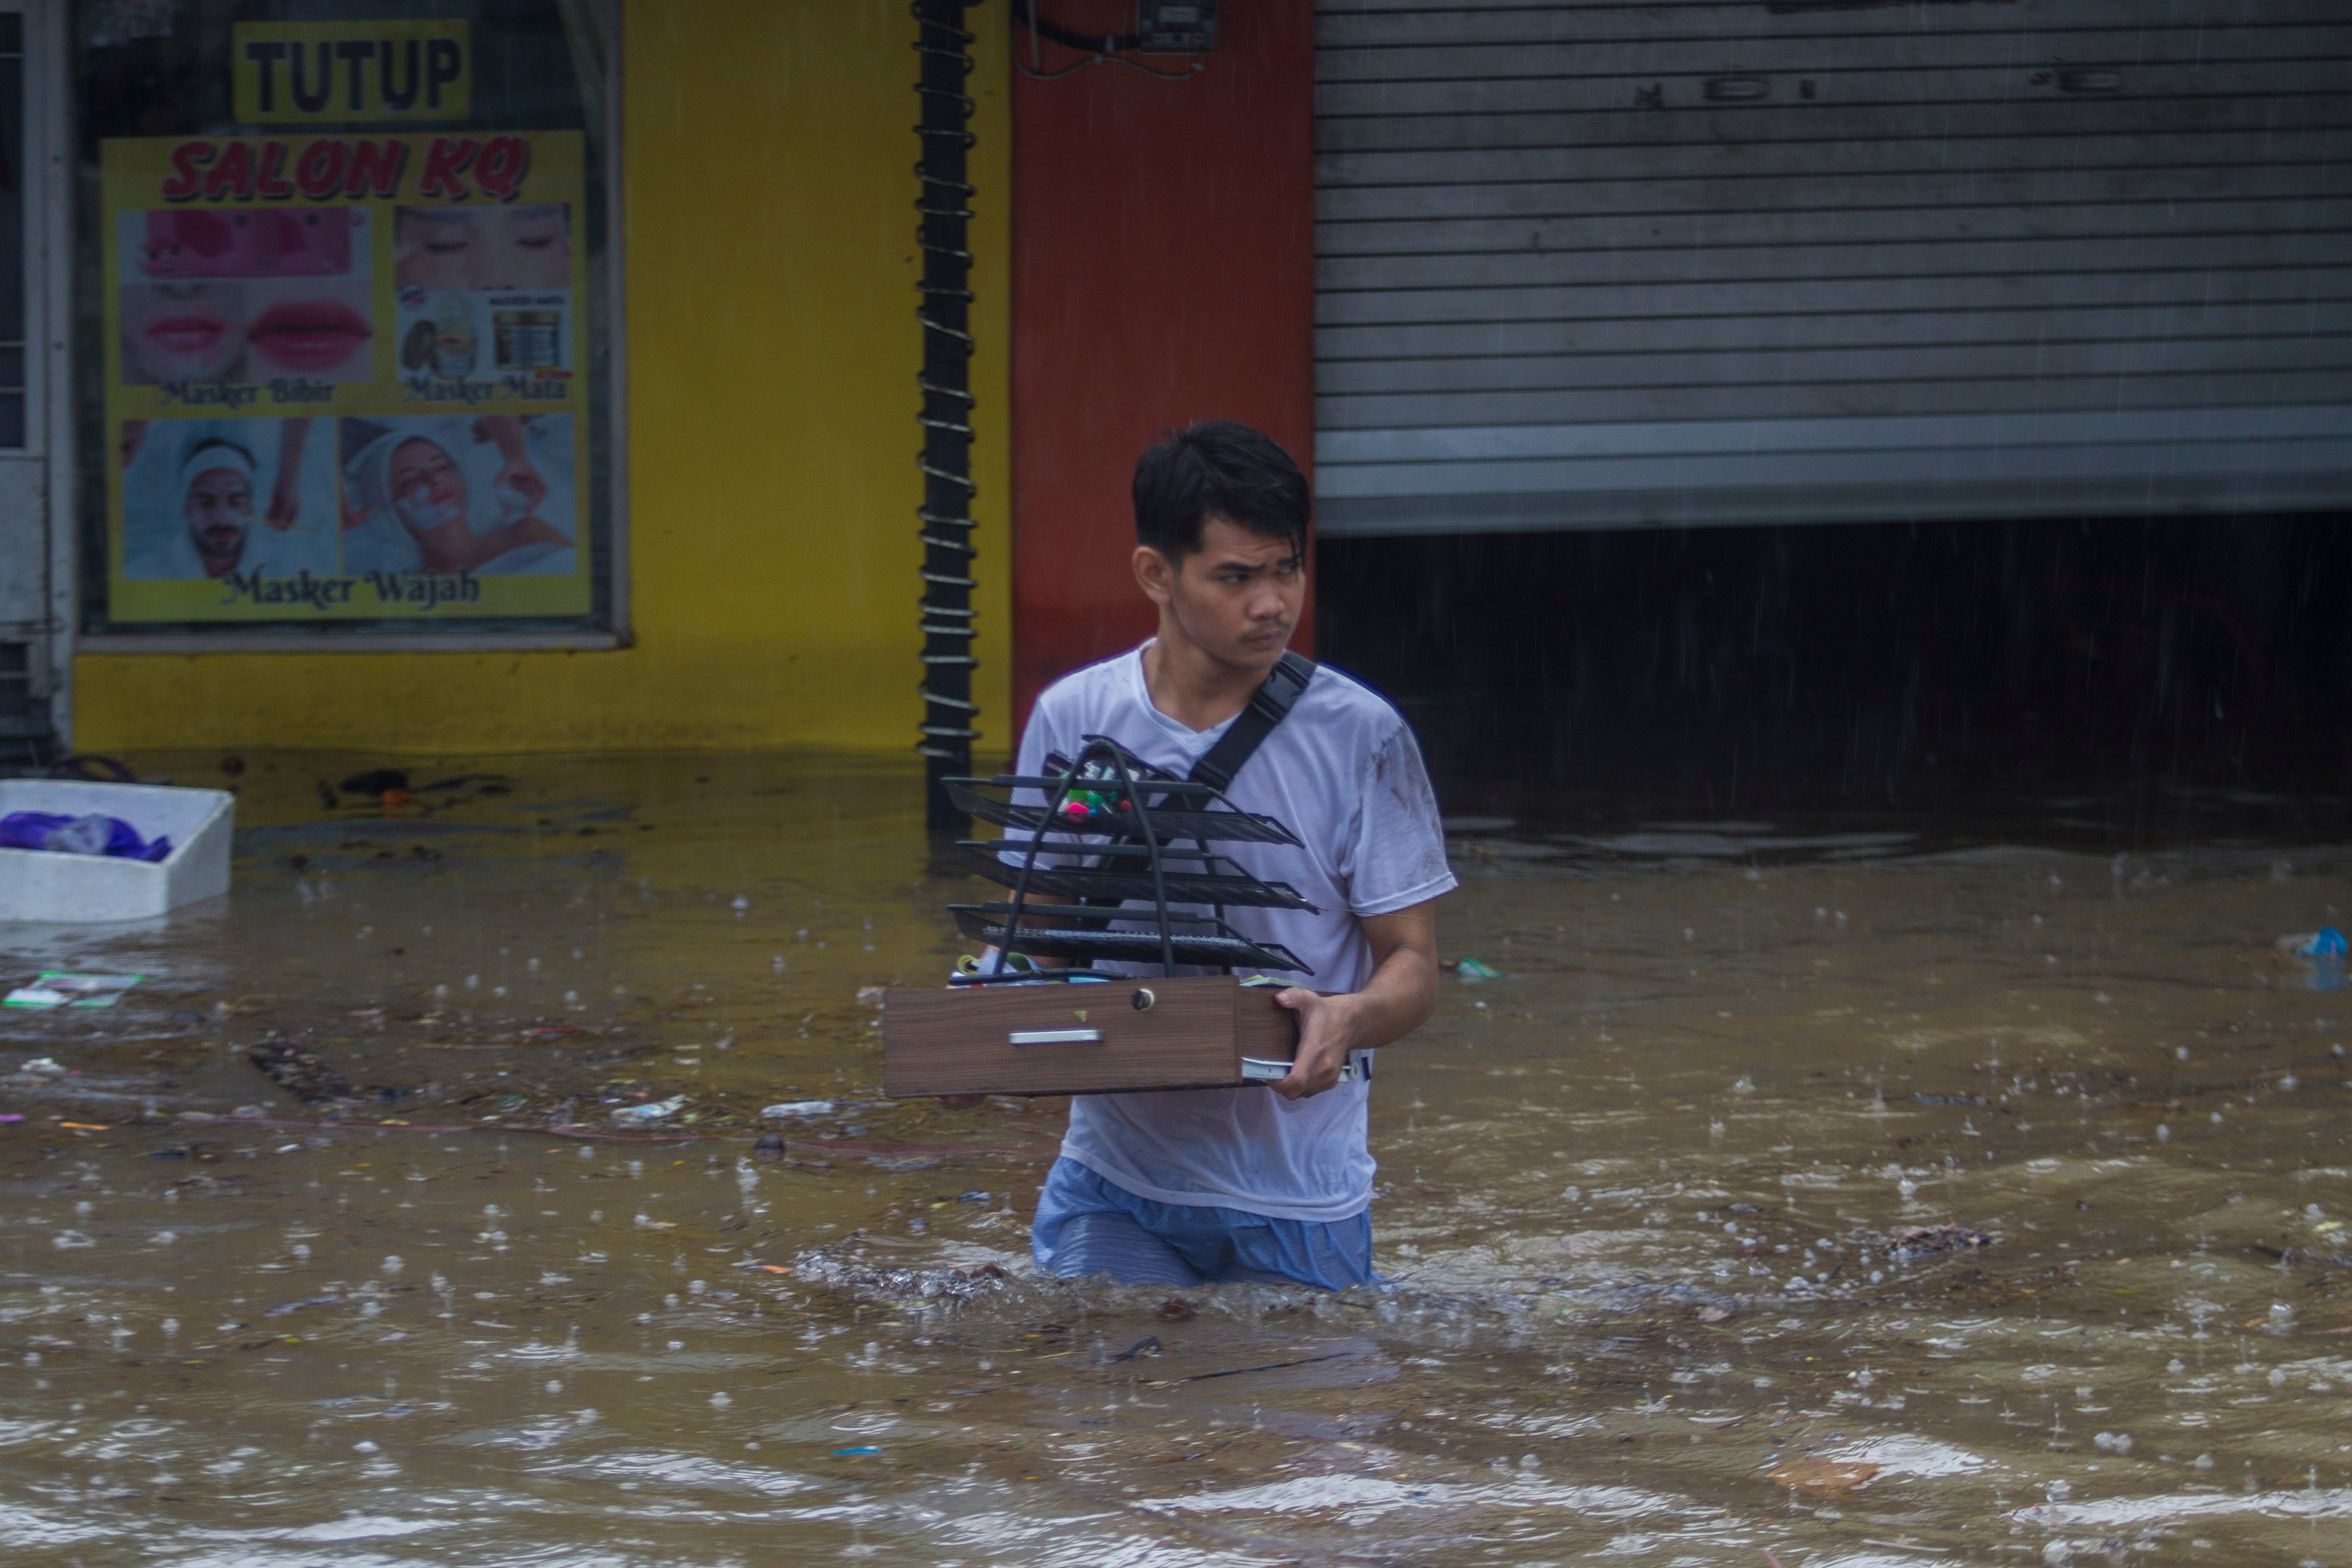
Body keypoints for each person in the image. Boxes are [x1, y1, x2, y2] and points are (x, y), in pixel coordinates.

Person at [1007, 420, 1455, 1292]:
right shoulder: (1074, 718)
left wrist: (1348, 1017)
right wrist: (981, 1036)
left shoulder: (1362, 735)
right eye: (1236, 577)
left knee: (1291, 1425)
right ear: (1155, 574)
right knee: (1105, 1418)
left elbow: (1411, 961)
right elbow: (1043, 937)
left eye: (1287, 567)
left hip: (1297, 1202)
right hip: (1114, 1186)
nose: (1272, 603)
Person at [340, 415, 574, 575]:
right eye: (410, 479)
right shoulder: (413, 589)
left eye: (442, 466)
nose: (435, 480)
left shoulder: (528, 531)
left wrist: (517, 457)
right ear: (390, 508)